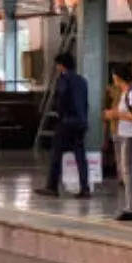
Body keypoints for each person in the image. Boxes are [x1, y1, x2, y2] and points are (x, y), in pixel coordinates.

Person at [35, 53, 91, 198]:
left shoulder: (64, 79)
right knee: (80, 156)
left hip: (67, 122)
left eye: (57, 65)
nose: (57, 67)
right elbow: (85, 103)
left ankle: (52, 187)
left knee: (56, 154)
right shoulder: (82, 80)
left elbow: (62, 100)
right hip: (81, 122)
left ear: (61, 65)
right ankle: (85, 188)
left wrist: (60, 116)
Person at [103, 66, 132, 220]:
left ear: (118, 77)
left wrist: (117, 114)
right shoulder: (124, 93)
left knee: (128, 174)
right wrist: (113, 114)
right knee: (128, 174)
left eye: (114, 76)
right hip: (124, 136)